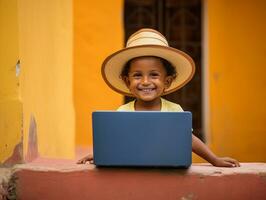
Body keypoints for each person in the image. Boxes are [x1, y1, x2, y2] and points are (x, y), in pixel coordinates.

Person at [78, 28, 240, 167]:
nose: (145, 82)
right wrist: (99, 154)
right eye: (137, 75)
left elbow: (188, 139)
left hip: (169, 176)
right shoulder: (123, 112)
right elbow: (115, 142)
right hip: (133, 178)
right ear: (127, 82)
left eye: (154, 75)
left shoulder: (175, 111)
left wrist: (214, 159)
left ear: (167, 81)